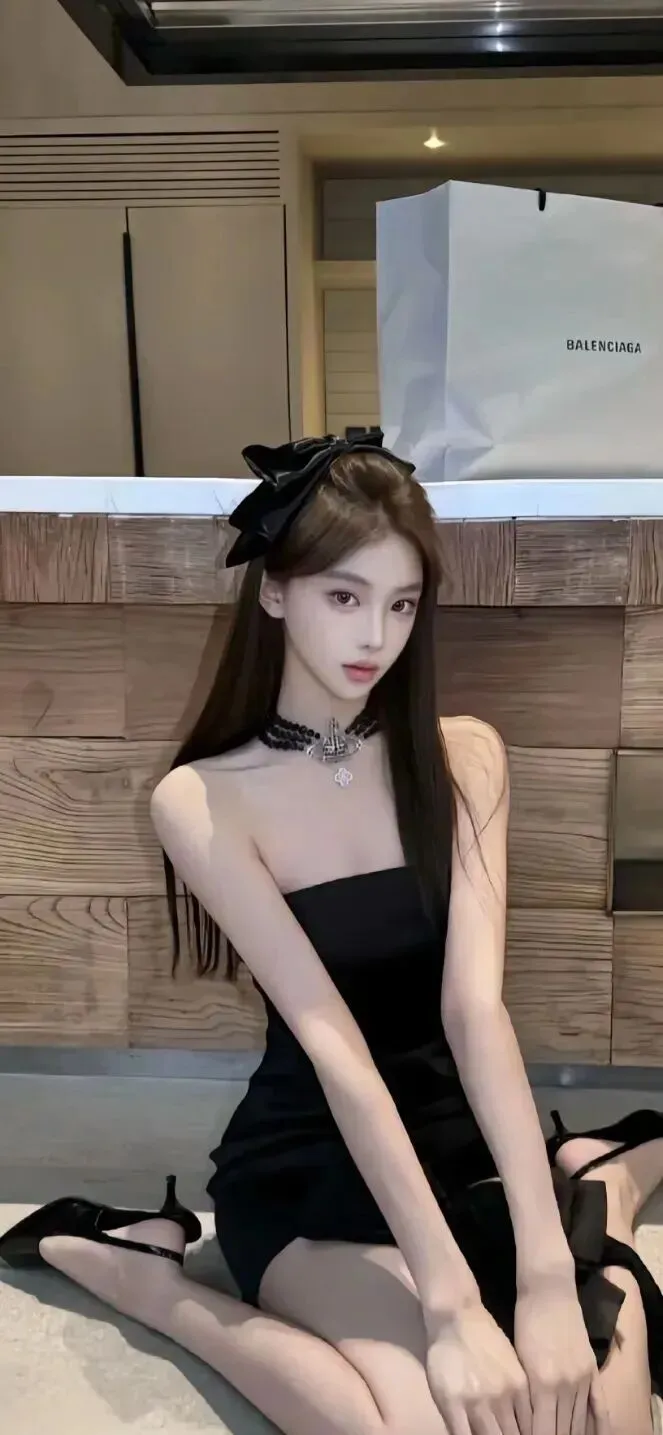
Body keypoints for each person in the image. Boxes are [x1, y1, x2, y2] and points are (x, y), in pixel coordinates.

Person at [1, 432, 662, 1435]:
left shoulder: (465, 757)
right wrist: (448, 1305)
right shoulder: (204, 800)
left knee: (596, 1418)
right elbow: (333, 1044)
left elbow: (473, 1011)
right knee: (422, 1427)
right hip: (311, 1151)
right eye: (344, 596)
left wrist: (538, 1276)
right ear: (275, 591)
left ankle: (593, 1186)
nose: (375, 636)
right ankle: (149, 1282)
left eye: (401, 604)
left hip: (459, 1135)